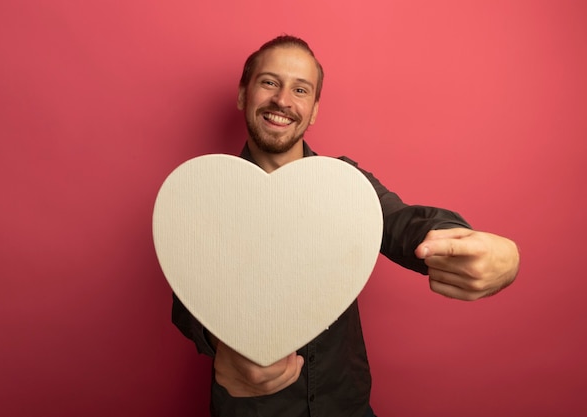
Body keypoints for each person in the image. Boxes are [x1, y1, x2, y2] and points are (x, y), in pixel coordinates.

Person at [172, 35, 520, 417]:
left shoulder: (347, 184)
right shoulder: (204, 193)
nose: (283, 100)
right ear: (243, 94)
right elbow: (186, 299)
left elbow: (402, 223)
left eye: (300, 89)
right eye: (269, 82)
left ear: (314, 110)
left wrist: (475, 244)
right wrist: (222, 346)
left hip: (346, 406)